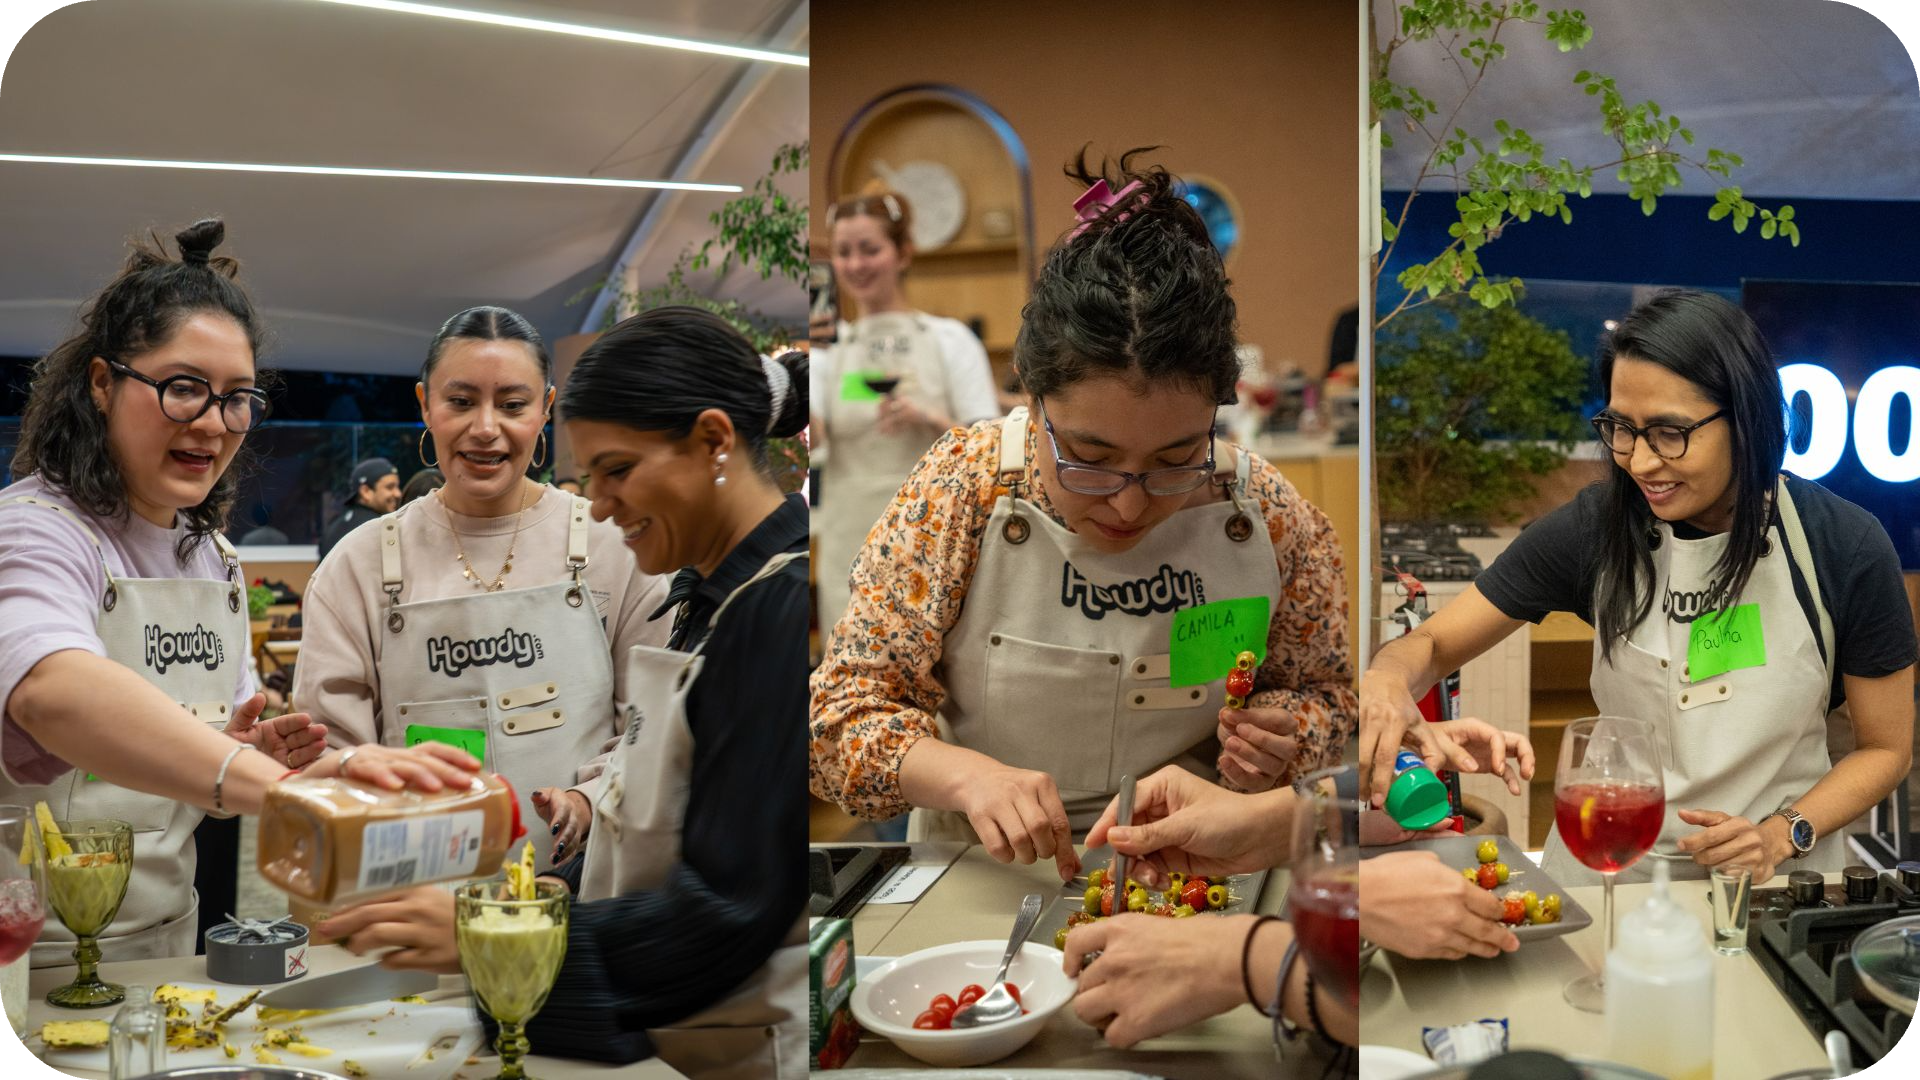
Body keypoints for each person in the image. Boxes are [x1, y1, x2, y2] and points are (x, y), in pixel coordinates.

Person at [810, 150, 1356, 881]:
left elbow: (1332, 697)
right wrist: (966, 777)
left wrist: (1294, 733)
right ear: (1030, 402)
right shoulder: (962, 492)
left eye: (1174, 459)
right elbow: (836, 722)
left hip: (1199, 872)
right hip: (983, 874)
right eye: (1089, 458)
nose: (1129, 501)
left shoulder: (1270, 517)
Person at [318, 307, 810, 1080]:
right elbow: (651, 809)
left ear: (715, 442)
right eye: (592, 478)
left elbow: (728, 909)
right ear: (425, 406)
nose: (603, 506)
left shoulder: (779, 610)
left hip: (726, 1039)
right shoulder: (710, 600)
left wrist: (501, 934)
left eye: (617, 471)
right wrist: (558, 887)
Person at [0, 219, 478, 965]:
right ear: (101, 383)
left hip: (166, 950)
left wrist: (279, 759)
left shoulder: (212, 558)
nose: (214, 424)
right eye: (183, 388)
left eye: (237, 398)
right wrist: (272, 786)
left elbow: (192, 765)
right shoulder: (35, 531)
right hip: (26, 958)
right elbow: (50, 690)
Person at [1361, 290, 1916, 886]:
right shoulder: (1595, 528)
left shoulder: (1844, 544)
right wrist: (1387, 681)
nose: (1641, 462)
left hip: (1768, 881)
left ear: (1747, 420)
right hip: (1608, 862)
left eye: (1670, 433)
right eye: (1622, 428)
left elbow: (1885, 749)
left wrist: (1784, 832)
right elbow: (1434, 646)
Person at [294, 307, 670, 871]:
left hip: (587, 896)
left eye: (513, 405)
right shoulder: (360, 564)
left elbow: (653, 723)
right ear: (425, 405)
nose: (486, 428)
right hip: (413, 896)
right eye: (461, 402)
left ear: (546, 408)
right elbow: (331, 753)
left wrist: (589, 800)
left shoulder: (613, 544)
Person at [807, 186, 1002, 641]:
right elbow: (810, 439)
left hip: (937, 543)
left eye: (870, 249)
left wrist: (934, 418)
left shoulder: (950, 340)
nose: (856, 265)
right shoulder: (828, 354)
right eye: (844, 252)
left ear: (903, 253)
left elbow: (992, 447)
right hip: (849, 544)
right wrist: (799, 358)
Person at [317, 456, 399, 560]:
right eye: (390, 487)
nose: (398, 494)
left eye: (397, 487)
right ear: (365, 492)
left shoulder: (333, 526)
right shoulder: (379, 527)